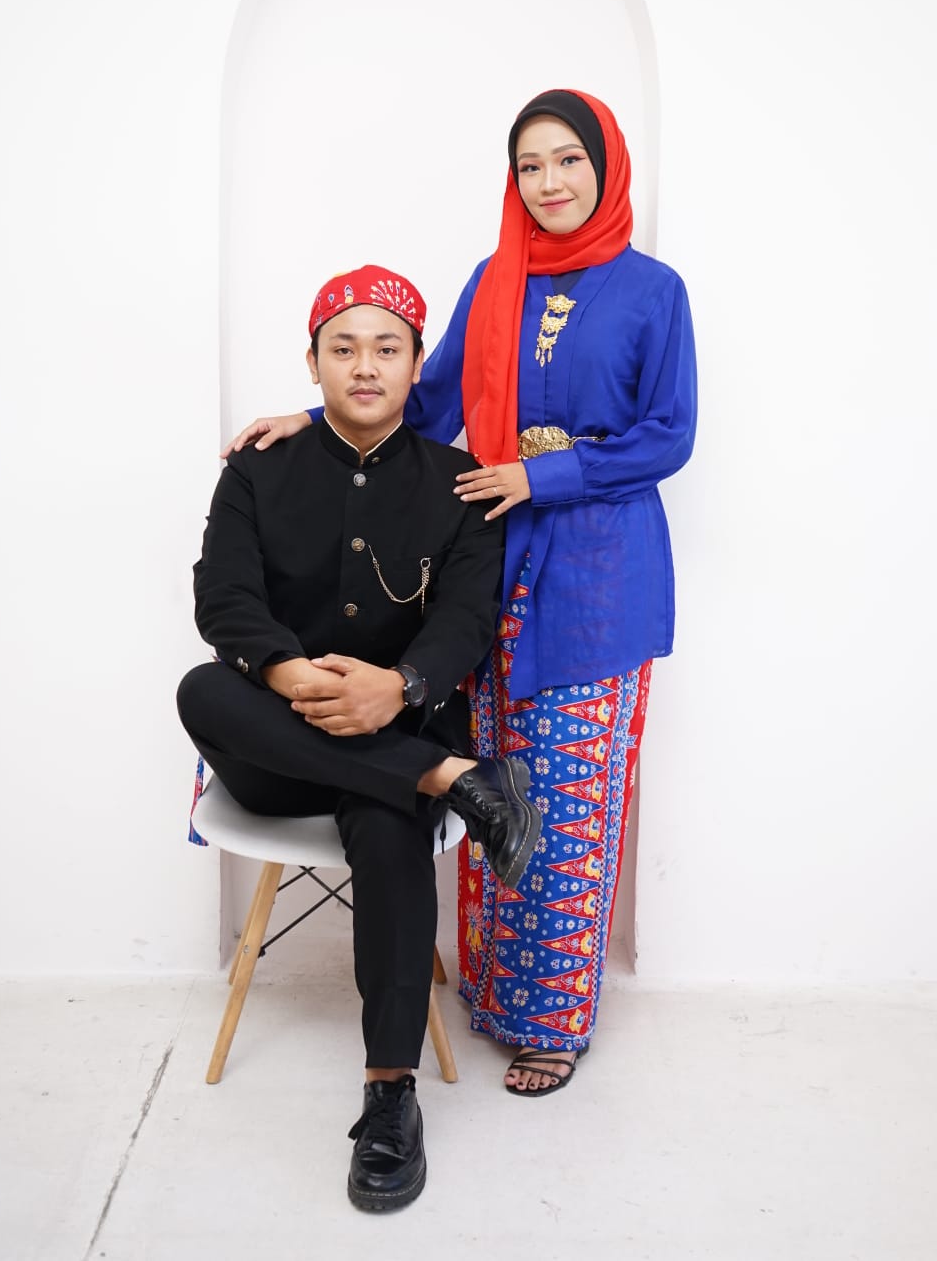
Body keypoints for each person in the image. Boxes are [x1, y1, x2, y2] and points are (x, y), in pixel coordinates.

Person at [224, 90, 697, 1098]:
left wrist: (543, 474)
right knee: (494, 783)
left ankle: (553, 1022)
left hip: (597, 576)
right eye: (530, 165)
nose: (550, 182)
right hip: (490, 565)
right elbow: (427, 398)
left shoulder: (654, 292)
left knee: (569, 797)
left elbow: (669, 436)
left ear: (605, 167)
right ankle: (491, 993)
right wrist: (314, 419)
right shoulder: (496, 278)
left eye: (568, 159)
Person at [177, 265, 542, 1212]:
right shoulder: (258, 468)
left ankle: (390, 1098)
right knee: (204, 689)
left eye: (387, 348)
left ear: (418, 365)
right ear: (314, 363)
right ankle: (451, 776)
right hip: (278, 752)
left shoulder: (459, 486)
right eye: (344, 349)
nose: (366, 366)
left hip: (393, 738)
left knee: (386, 827)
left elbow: (464, 622)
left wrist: (401, 689)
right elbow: (222, 597)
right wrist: (290, 676)